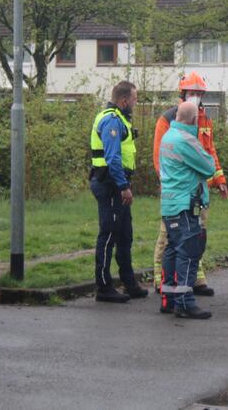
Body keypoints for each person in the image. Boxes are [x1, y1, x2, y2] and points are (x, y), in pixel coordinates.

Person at [152, 72, 227, 297]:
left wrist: (219, 180)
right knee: (170, 236)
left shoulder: (203, 118)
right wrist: (169, 184)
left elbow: (210, 151)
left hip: (198, 189)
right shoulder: (168, 119)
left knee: (197, 234)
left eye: (198, 93)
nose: (195, 96)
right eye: (191, 93)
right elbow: (160, 157)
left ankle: (194, 278)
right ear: (182, 93)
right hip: (178, 190)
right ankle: (161, 280)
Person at [89, 80, 148, 303]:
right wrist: (124, 187)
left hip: (117, 182)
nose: (135, 102)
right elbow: (113, 158)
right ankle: (103, 287)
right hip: (111, 184)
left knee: (125, 234)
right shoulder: (111, 120)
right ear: (124, 100)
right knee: (109, 234)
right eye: (134, 99)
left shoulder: (120, 118)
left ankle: (129, 282)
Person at [159, 102, 216, 319]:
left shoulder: (168, 136)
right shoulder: (186, 140)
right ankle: (185, 301)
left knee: (172, 250)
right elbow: (209, 166)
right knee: (189, 252)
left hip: (170, 204)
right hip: (185, 204)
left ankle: (169, 298)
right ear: (194, 120)